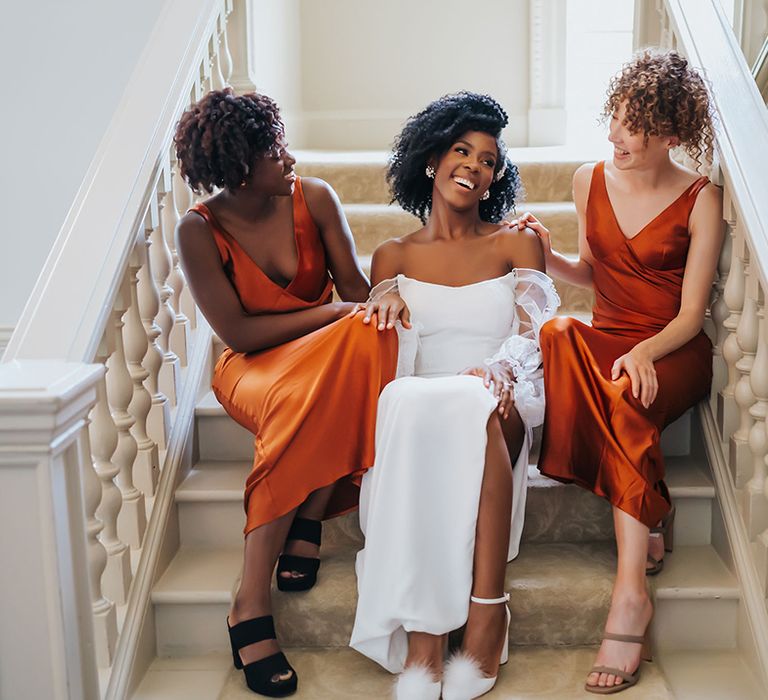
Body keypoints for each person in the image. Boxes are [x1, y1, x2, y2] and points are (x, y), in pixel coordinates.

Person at [173, 88, 398, 697]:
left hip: (323, 361)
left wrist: (367, 303)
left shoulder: (316, 199)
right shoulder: (198, 232)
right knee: (322, 377)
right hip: (252, 368)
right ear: (241, 168)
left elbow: (357, 294)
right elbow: (240, 332)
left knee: (366, 343)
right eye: (275, 150)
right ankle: (252, 597)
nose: (289, 156)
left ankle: (307, 510)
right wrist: (332, 315)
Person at [516, 50, 723, 694]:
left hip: (672, 349)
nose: (614, 136)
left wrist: (646, 352)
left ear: (671, 135)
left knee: (627, 394)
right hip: (611, 336)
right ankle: (649, 505)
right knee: (556, 331)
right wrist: (551, 258)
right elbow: (594, 273)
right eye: (614, 119)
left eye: (632, 125)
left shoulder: (701, 197)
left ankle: (630, 595)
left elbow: (692, 315)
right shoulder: (588, 179)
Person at [349, 92, 559, 700]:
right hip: (420, 404)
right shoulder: (391, 256)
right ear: (432, 161)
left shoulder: (515, 243)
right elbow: (384, 350)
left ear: (496, 178)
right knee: (414, 401)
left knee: (467, 404)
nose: (475, 165)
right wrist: (382, 301)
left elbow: (534, 338)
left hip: (501, 398)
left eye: (489, 160)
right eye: (462, 151)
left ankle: (484, 610)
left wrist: (495, 371)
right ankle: (425, 639)